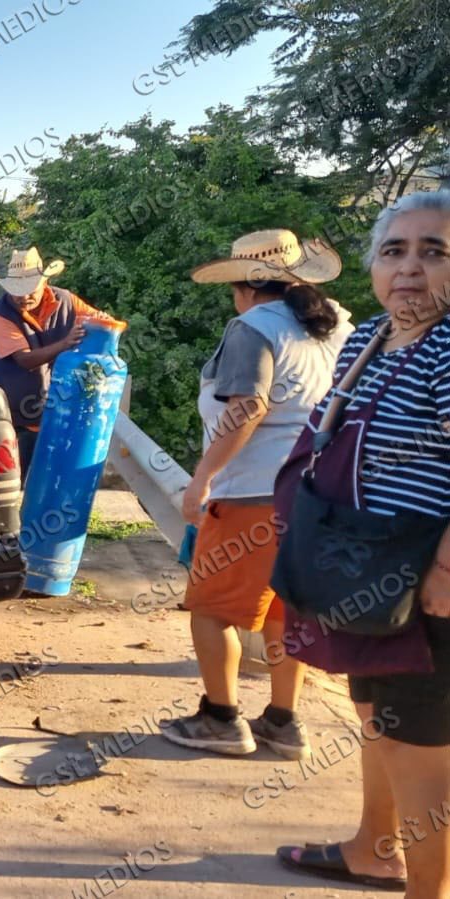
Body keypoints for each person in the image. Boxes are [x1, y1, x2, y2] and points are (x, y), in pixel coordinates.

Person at [276, 191, 450, 897]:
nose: (409, 267)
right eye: (393, 250)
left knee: (420, 751)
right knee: (375, 716)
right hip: (361, 567)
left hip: (422, 579)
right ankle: (372, 848)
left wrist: (443, 567)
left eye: (433, 251)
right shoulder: (371, 336)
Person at [159, 230, 353, 759]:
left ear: (243, 286)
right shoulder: (332, 325)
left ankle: (221, 718)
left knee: (212, 609)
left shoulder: (253, 329)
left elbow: (247, 408)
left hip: (252, 495)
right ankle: (283, 721)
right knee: (283, 611)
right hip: (314, 493)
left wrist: (202, 479)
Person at [0, 247, 122, 471]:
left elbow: (97, 319)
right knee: (19, 479)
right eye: (16, 292)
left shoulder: (65, 299)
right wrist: (65, 344)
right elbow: (25, 360)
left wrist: (104, 323)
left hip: (58, 410)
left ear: (43, 284)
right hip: (17, 418)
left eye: (29, 291)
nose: (23, 297)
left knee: (53, 475)